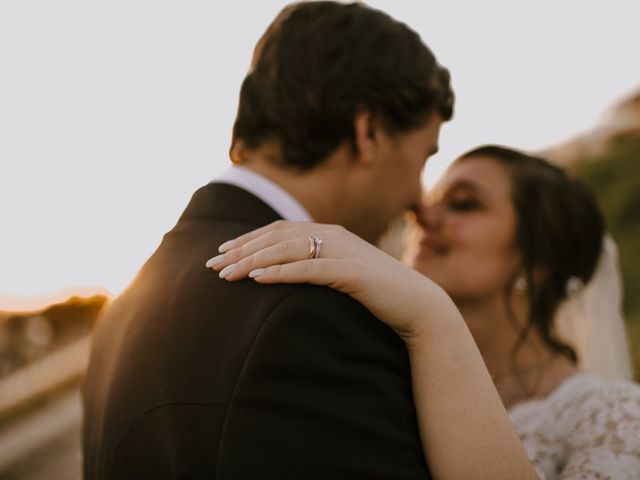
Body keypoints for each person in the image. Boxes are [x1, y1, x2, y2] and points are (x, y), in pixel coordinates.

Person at [83, 2, 534, 479]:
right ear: (369, 132)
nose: (418, 202)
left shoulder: (122, 312)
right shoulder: (310, 313)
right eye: (423, 159)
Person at [209, 145, 640, 479]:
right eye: (433, 199)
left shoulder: (615, 415)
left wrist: (432, 316)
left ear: (541, 259)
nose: (425, 215)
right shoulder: (378, 380)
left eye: (465, 203)